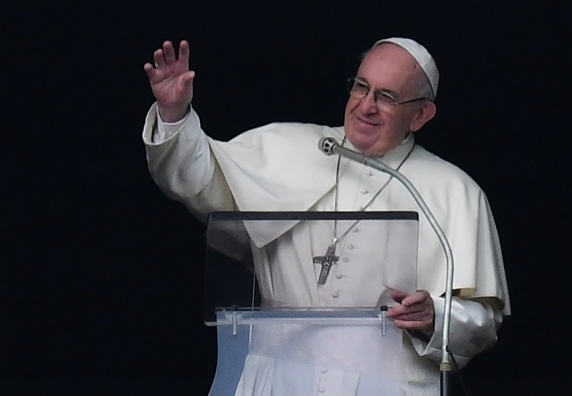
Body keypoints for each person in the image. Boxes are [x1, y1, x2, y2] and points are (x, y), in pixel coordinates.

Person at [142, 37, 510, 396]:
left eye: (386, 97)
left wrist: (437, 316)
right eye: (361, 88)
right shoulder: (287, 147)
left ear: (420, 115)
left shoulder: (454, 190)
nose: (366, 106)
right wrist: (175, 116)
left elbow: (482, 321)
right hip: (274, 375)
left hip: (387, 382)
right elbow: (195, 179)